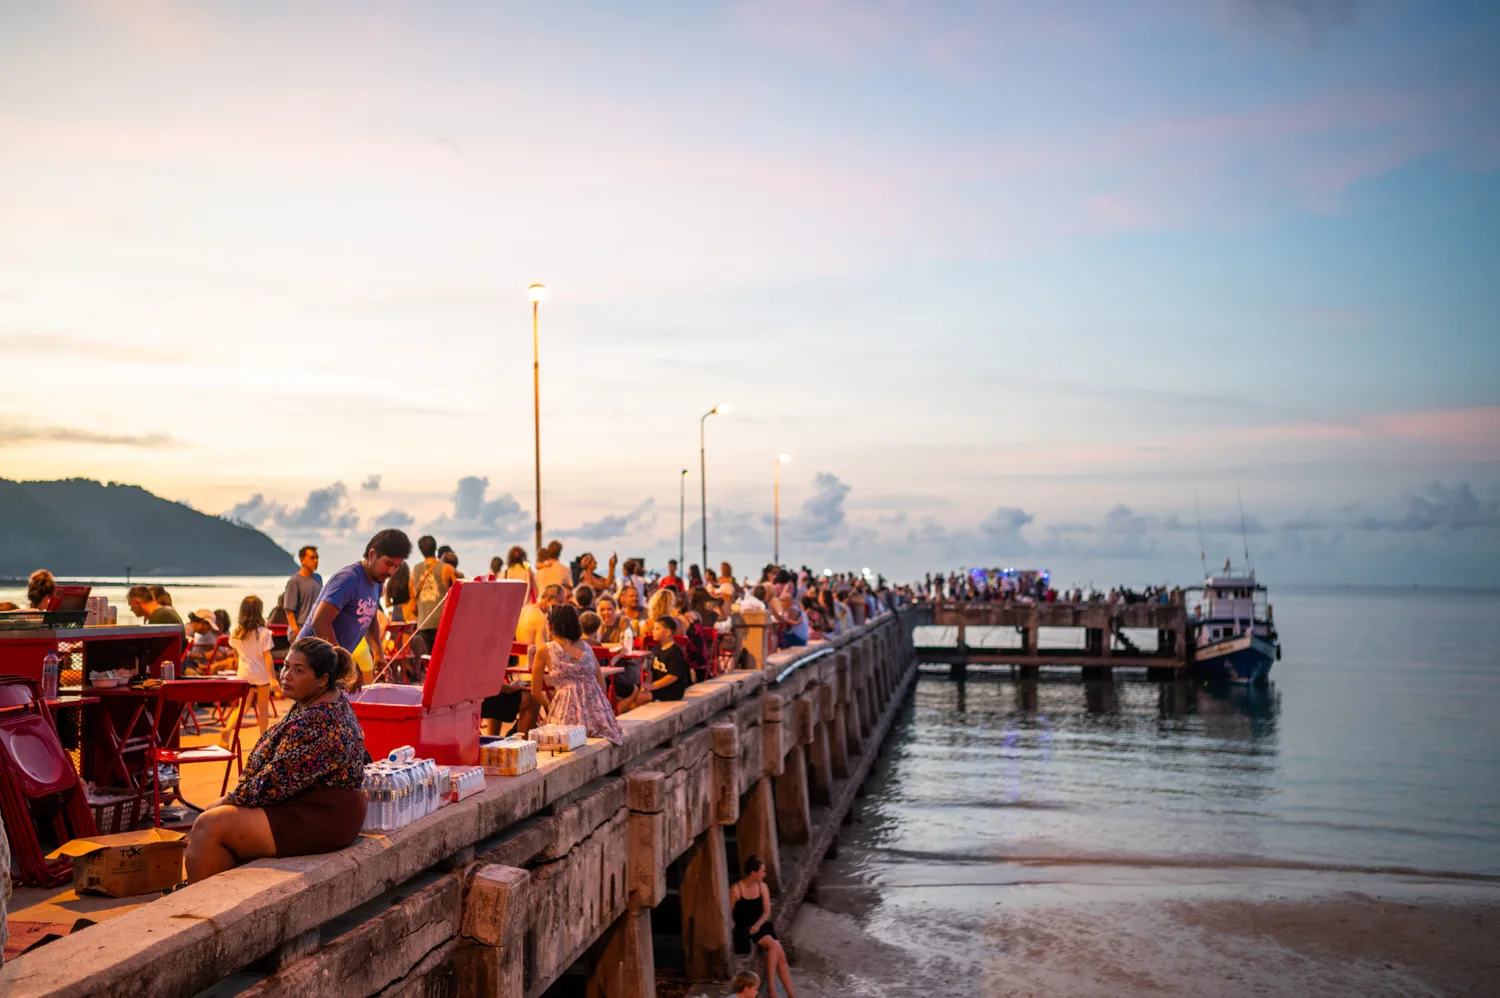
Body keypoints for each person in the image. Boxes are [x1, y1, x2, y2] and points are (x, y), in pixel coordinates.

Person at [184, 637, 368, 883]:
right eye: (286, 666)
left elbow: (275, 780)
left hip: (324, 815)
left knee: (209, 825)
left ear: (322, 679)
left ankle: (203, 907)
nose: (286, 675)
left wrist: (227, 800)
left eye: (298, 670)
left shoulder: (318, 721)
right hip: (308, 804)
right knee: (217, 825)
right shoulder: (323, 700)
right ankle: (218, 902)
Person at [299, 529, 411, 687]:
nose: (391, 572)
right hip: (310, 663)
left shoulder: (377, 584)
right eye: (388, 564)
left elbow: (370, 620)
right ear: (372, 555)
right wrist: (343, 664)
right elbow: (320, 622)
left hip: (331, 664)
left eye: (396, 567)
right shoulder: (349, 579)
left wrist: (378, 654)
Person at [531, 604, 624, 745]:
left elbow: (535, 691)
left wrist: (551, 706)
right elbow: (602, 685)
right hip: (598, 717)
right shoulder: (586, 647)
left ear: (550, 625)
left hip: (565, 714)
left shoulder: (545, 649)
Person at [731, 857, 795, 997]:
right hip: (745, 927)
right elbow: (730, 913)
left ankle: (791, 994)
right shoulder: (736, 889)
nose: (764, 874)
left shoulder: (762, 887)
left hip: (761, 925)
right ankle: (771, 988)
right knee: (773, 945)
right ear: (753, 873)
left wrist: (757, 925)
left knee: (782, 957)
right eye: (762, 871)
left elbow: (766, 912)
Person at [221, 596, 276, 746]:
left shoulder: (236, 632)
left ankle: (227, 729)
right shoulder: (264, 632)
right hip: (261, 675)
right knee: (263, 709)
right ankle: (263, 740)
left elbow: (236, 654)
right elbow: (267, 656)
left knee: (242, 707)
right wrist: (273, 678)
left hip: (244, 673)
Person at [407, 535, 455, 649]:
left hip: (424, 622)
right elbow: (458, 592)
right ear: (435, 547)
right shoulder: (446, 568)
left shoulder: (415, 570)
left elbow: (412, 594)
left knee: (431, 660)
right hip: (443, 622)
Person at [646, 617, 692, 702]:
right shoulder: (658, 648)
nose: (653, 631)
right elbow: (652, 671)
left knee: (642, 697)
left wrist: (653, 686)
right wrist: (646, 685)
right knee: (636, 693)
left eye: (657, 629)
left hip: (671, 690)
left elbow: (672, 676)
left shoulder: (675, 651)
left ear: (667, 632)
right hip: (659, 687)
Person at [282, 546, 323, 637]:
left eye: (317, 558)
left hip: (315, 630)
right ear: (302, 560)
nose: (316, 561)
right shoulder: (294, 581)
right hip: (301, 631)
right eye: (312, 558)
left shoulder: (318, 578)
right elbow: (289, 610)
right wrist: (296, 632)